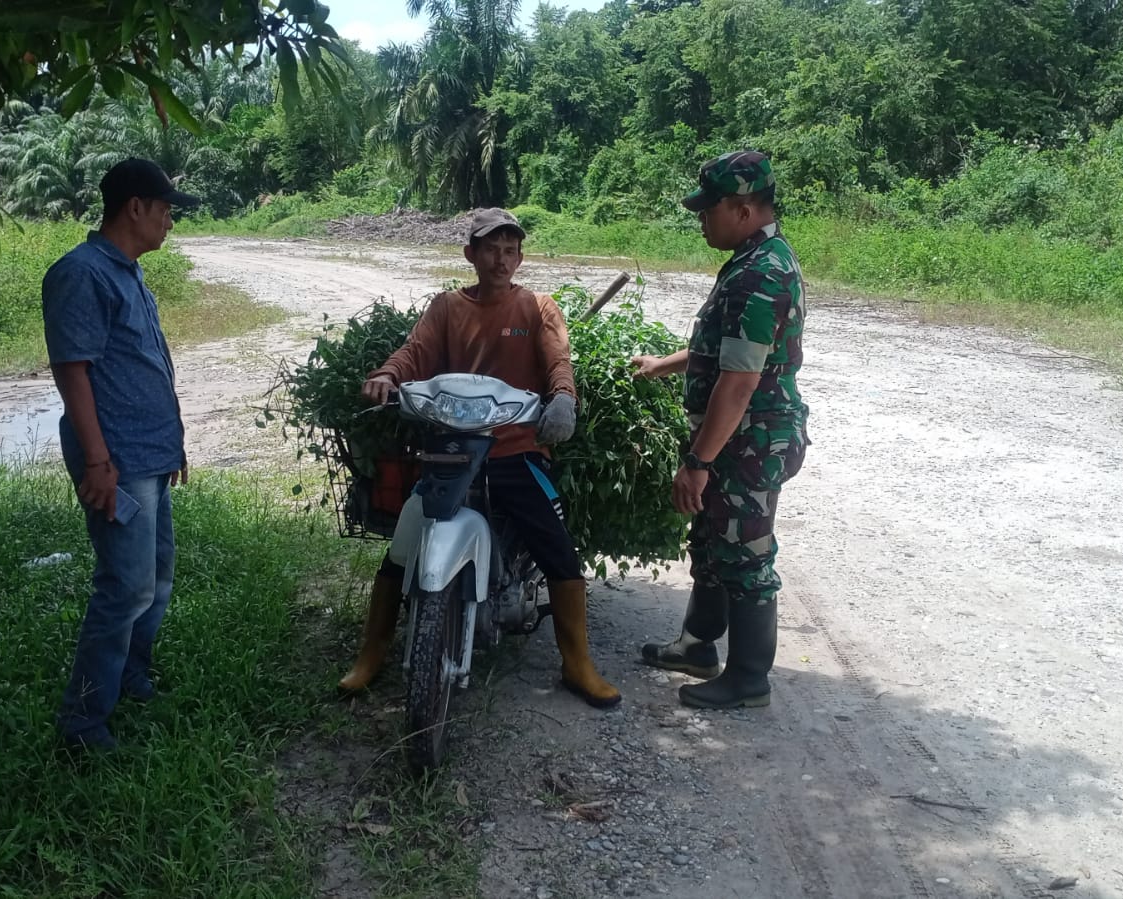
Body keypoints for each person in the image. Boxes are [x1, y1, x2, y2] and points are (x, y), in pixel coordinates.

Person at [338, 208, 621, 709]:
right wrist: (388, 375)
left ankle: (577, 663)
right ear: (470, 253)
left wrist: (562, 398)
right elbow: (414, 352)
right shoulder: (446, 306)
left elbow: (559, 360)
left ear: (520, 257)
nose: (501, 259)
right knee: (401, 549)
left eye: (511, 250)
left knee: (557, 549)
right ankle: (372, 653)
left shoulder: (538, 307)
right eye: (491, 248)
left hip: (516, 448)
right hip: (452, 448)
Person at [630, 150, 809, 710]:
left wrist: (698, 462)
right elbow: (724, 349)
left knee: (744, 553)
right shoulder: (751, 259)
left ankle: (749, 678)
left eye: (709, 210)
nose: (701, 220)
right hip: (734, 437)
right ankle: (698, 647)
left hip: (751, 441)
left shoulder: (761, 273)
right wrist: (665, 364)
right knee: (711, 542)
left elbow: (739, 380)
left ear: (745, 208)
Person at [42, 158, 199, 752]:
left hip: (148, 455)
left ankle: (131, 674)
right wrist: (99, 462)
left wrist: (173, 446)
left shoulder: (129, 273)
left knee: (155, 582)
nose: (168, 221)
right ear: (135, 207)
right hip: (118, 460)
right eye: (164, 209)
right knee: (124, 587)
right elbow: (72, 372)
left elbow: (146, 367)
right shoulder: (82, 274)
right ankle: (82, 722)